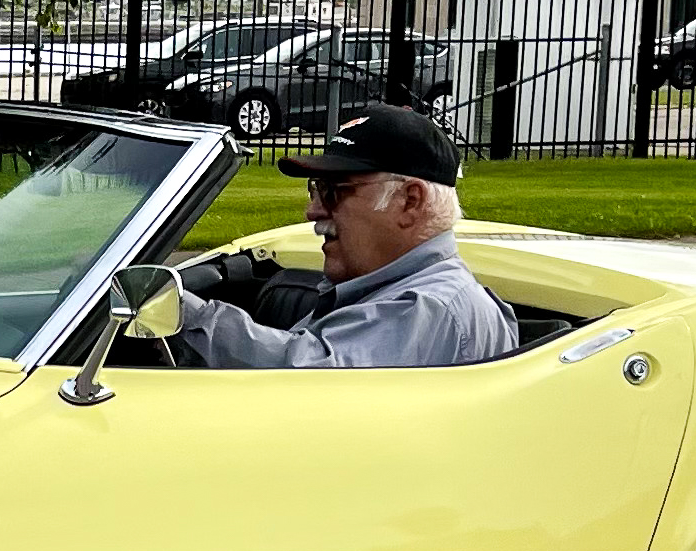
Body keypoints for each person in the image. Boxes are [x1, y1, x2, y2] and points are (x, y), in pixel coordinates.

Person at [171, 101, 518, 369]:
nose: (314, 211)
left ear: (411, 201)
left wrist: (183, 313)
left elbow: (305, 379)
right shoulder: (392, 290)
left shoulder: (426, 308)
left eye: (336, 191)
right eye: (316, 189)